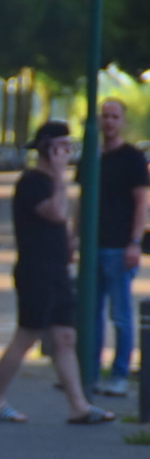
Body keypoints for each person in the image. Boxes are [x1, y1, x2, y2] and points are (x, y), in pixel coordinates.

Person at [0, 121, 115, 425]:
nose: (68, 152)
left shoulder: (50, 182)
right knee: (27, 334)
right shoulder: (33, 182)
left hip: (56, 270)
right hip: (35, 271)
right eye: (62, 147)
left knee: (65, 336)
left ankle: (78, 405)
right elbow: (56, 213)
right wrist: (61, 175)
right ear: (49, 149)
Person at [77, 99, 149, 397]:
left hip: (120, 247)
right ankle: (89, 373)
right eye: (104, 117)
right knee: (90, 314)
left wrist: (134, 242)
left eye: (114, 117)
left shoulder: (133, 158)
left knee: (120, 315)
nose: (109, 122)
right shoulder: (91, 158)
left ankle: (119, 374)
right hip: (92, 246)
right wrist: (73, 237)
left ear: (122, 121)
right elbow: (82, 200)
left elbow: (142, 201)